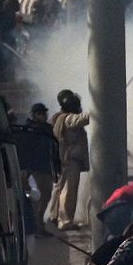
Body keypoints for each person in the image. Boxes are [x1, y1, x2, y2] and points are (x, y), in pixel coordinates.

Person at [14, 103, 59, 237]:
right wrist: (24, 169)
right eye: (40, 113)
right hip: (33, 168)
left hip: (44, 167)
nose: (43, 115)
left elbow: (53, 150)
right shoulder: (28, 130)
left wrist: (56, 167)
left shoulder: (47, 129)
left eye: (44, 113)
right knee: (38, 196)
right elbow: (23, 150)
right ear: (34, 115)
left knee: (44, 196)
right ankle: (37, 227)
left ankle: (37, 225)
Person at [50, 89, 90, 230]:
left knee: (59, 190)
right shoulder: (69, 119)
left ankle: (54, 217)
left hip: (63, 160)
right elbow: (84, 118)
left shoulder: (58, 118)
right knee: (69, 192)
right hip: (71, 160)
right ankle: (65, 221)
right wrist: (96, 110)